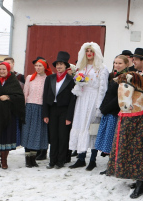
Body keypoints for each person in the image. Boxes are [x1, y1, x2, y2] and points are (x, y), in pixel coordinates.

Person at [106, 72, 143, 198]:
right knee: (130, 148)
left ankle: (141, 182)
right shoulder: (126, 83)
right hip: (129, 117)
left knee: (141, 150)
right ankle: (136, 178)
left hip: (141, 119)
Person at [69, 42, 109, 170]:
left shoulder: (102, 68)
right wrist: (79, 84)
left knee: (91, 128)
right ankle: (81, 158)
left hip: (93, 99)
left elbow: (102, 89)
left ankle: (92, 159)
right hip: (82, 99)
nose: (89, 53)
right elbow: (77, 85)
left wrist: (99, 106)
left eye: (91, 51)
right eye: (87, 51)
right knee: (80, 126)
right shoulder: (82, 67)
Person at [95, 55, 129, 174]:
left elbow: (119, 98)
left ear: (126, 64)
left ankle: (113, 167)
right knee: (110, 141)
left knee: (113, 141)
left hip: (114, 112)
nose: (117, 65)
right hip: (108, 111)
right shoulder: (115, 75)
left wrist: (106, 108)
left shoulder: (125, 77)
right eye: (115, 63)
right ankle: (111, 165)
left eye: (120, 63)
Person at [42, 51, 76, 169]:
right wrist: (45, 113)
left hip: (64, 110)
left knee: (63, 136)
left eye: (61, 64)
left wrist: (69, 117)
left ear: (66, 66)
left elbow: (73, 100)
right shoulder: (50, 78)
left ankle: (61, 161)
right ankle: (52, 160)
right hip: (52, 109)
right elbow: (45, 96)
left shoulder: (71, 80)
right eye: (57, 64)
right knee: (53, 137)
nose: (59, 67)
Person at [21, 57, 52, 168]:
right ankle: (27, 159)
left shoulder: (48, 79)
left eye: (40, 66)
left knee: (36, 133)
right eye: (36, 66)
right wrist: (23, 109)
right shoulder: (30, 78)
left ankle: (33, 158)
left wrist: (46, 112)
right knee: (28, 133)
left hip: (40, 108)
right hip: (29, 107)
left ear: (45, 67)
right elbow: (25, 94)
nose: (38, 68)